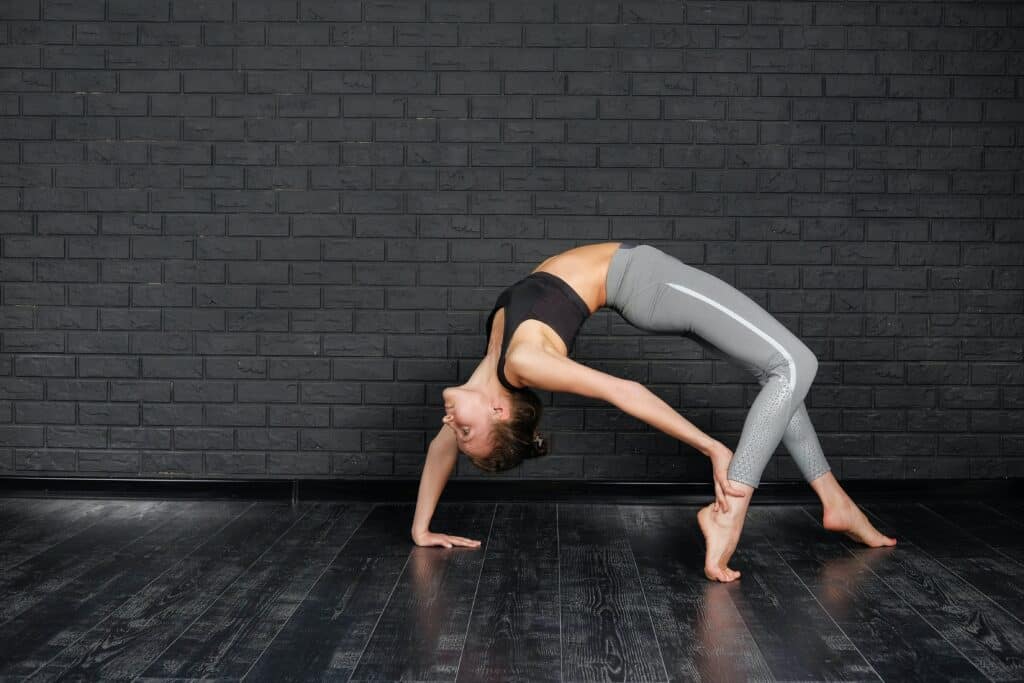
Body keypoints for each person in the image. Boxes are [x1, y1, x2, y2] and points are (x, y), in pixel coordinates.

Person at [411, 242, 896, 581]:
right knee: (794, 363)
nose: (451, 424)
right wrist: (711, 448)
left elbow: (441, 451)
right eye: (465, 428)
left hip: (643, 285)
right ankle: (734, 506)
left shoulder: (492, 367)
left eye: (458, 428)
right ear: (499, 411)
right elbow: (626, 392)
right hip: (647, 282)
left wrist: (421, 530)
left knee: (775, 373)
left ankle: (835, 502)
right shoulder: (522, 362)